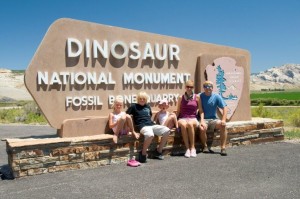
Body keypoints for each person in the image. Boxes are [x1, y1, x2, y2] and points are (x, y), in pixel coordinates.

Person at [126, 92, 170, 163]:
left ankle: (158, 151)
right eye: (140, 99)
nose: (142, 100)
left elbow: (149, 116)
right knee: (150, 135)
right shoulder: (134, 106)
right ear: (138, 99)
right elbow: (126, 116)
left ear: (146, 99)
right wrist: (131, 130)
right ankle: (143, 153)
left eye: (144, 99)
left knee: (167, 130)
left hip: (151, 124)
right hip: (142, 126)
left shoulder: (148, 106)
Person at [176, 80, 205, 158]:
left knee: (189, 123)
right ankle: (187, 149)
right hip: (183, 117)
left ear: (193, 88)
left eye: (191, 87)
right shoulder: (180, 97)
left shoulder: (197, 97)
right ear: (185, 87)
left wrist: (202, 121)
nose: (189, 88)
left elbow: (201, 111)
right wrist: (175, 121)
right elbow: (178, 111)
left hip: (193, 118)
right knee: (183, 124)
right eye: (188, 87)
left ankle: (193, 148)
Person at [199, 81, 228, 156]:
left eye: (210, 87)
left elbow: (225, 108)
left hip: (213, 119)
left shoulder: (216, 96)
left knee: (223, 125)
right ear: (204, 88)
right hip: (203, 119)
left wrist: (224, 119)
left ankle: (223, 148)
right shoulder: (200, 96)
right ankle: (205, 146)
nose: (208, 88)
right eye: (206, 86)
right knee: (202, 128)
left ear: (212, 88)